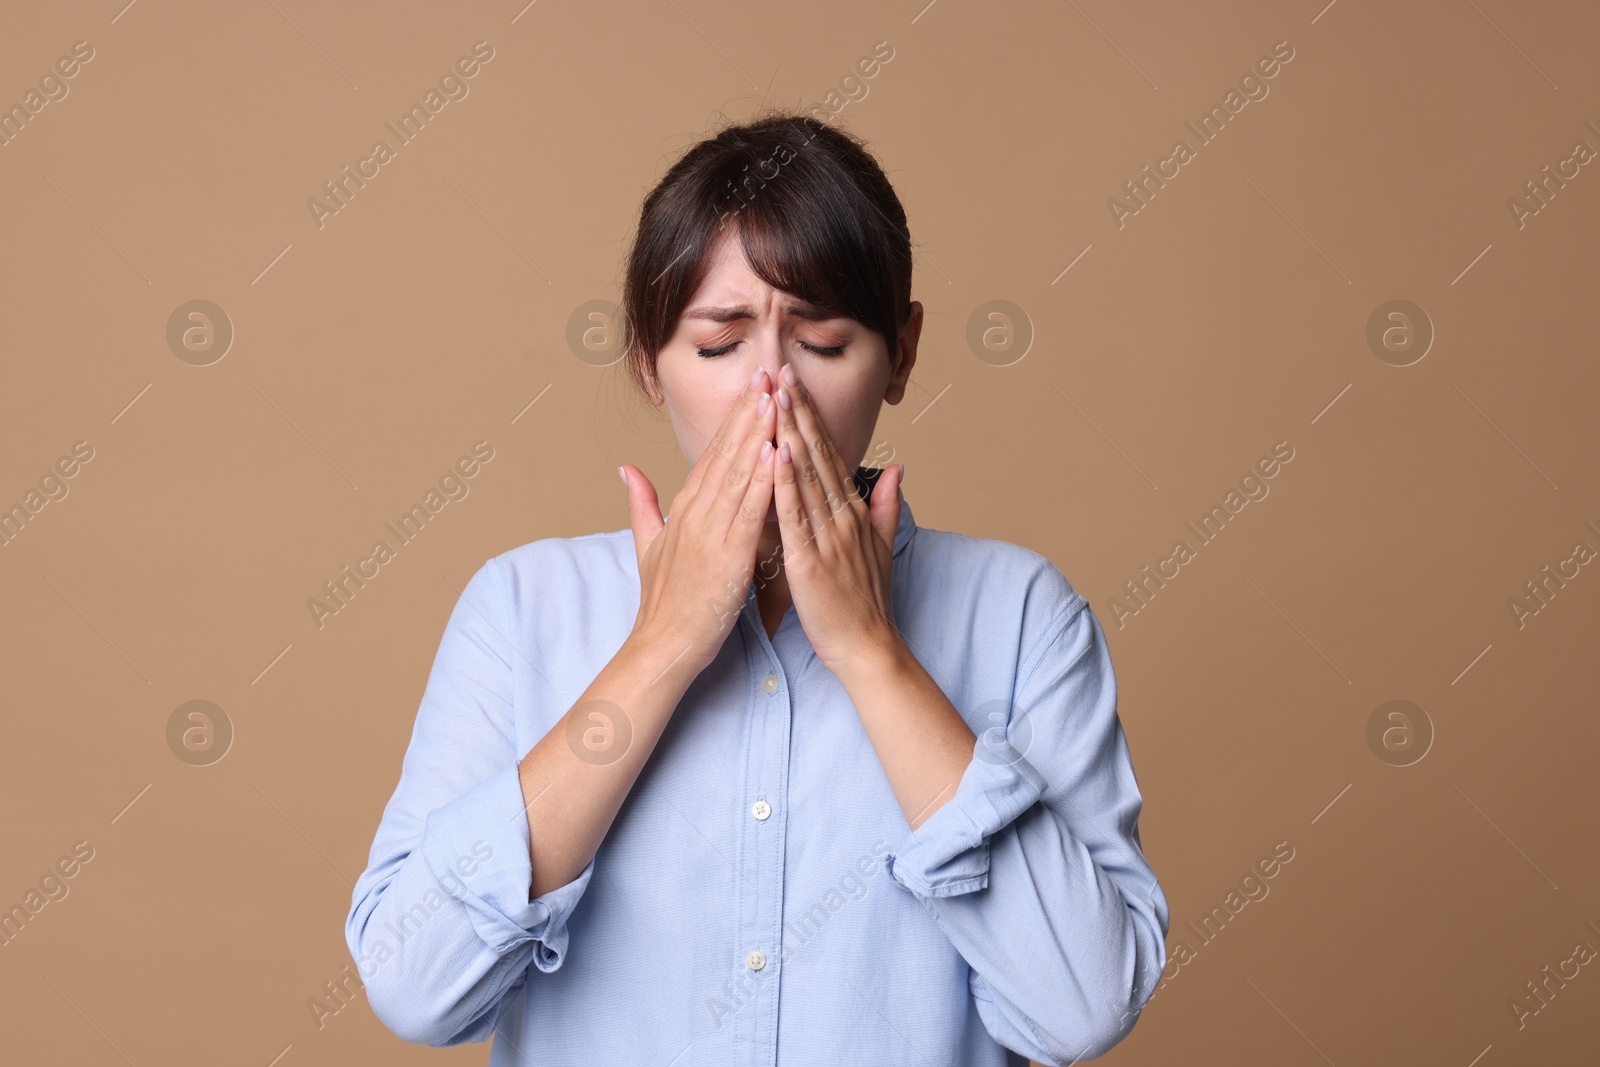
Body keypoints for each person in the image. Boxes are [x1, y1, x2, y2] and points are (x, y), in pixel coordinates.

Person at [346, 111, 1169, 1066]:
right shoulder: (521, 609)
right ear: (648, 361)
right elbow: (415, 991)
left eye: (822, 340)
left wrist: (871, 652)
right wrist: (659, 648)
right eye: (718, 342)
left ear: (901, 354)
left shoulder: (1024, 616)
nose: (771, 390)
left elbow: (1084, 1005)